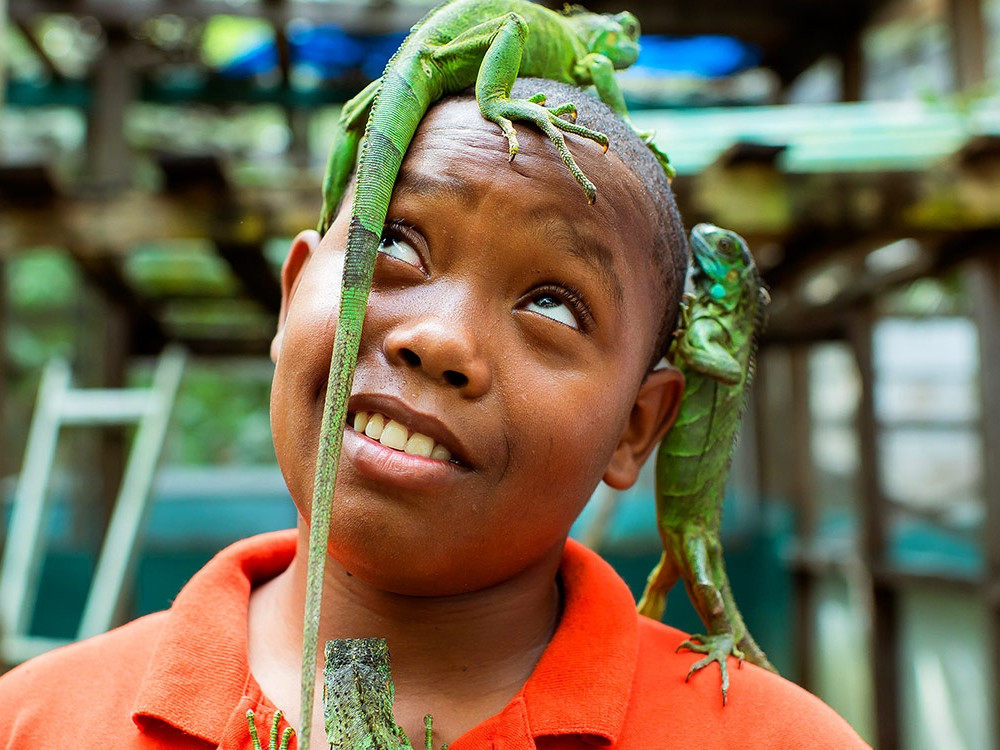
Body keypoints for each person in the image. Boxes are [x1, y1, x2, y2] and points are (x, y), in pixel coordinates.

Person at [0, 78, 869, 749]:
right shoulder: (34, 720)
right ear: (294, 293)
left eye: (555, 306)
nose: (438, 339)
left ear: (638, 427)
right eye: (394, 244)